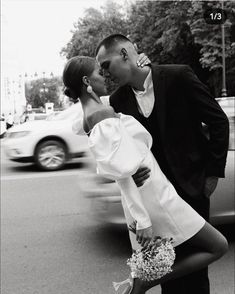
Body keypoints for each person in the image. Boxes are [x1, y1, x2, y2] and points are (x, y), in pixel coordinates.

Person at [63, 56, 228, 294]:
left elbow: (106, 153)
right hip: (154, 196)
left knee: (183, 259)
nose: (106, 76)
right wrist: (142, 220)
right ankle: (146, 282)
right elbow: (122, 173)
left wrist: (142, 64)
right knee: (218, 246)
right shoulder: (103, 113)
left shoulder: (94, 114)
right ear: (88, 80)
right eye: (101, 72)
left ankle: (145, 280)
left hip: (157, 191)